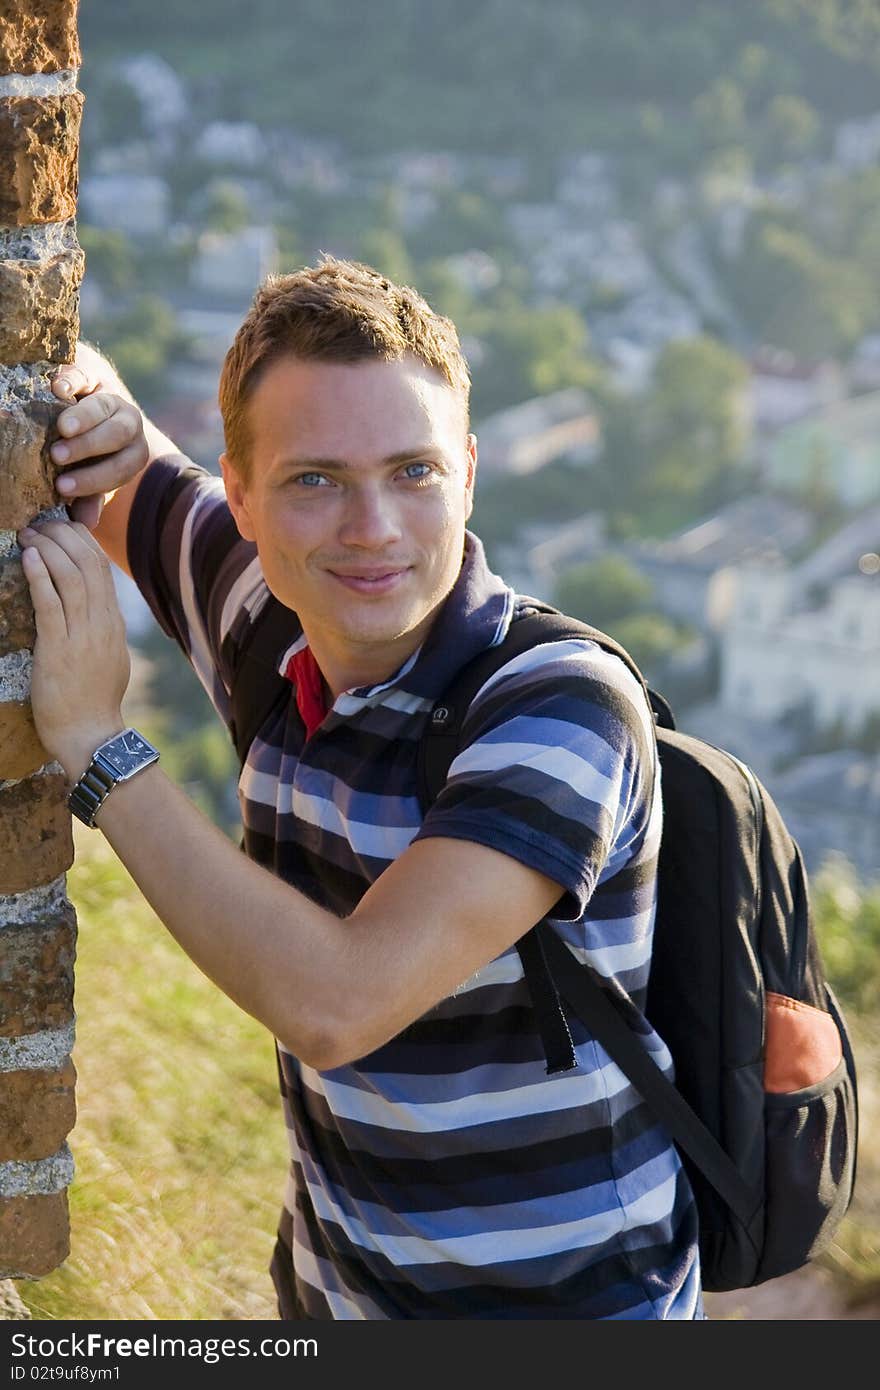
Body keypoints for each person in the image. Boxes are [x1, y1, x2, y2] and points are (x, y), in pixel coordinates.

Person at [18, 257, 703, 1320]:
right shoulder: (265, 620)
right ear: (239, 493)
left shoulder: (559, 706)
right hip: (340, 1301)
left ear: (468, 472)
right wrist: (90, 410)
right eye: (315, 479)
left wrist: (101, 745)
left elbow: (337, 1004)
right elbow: (78, 391)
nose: (371, 527)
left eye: (413, 472)